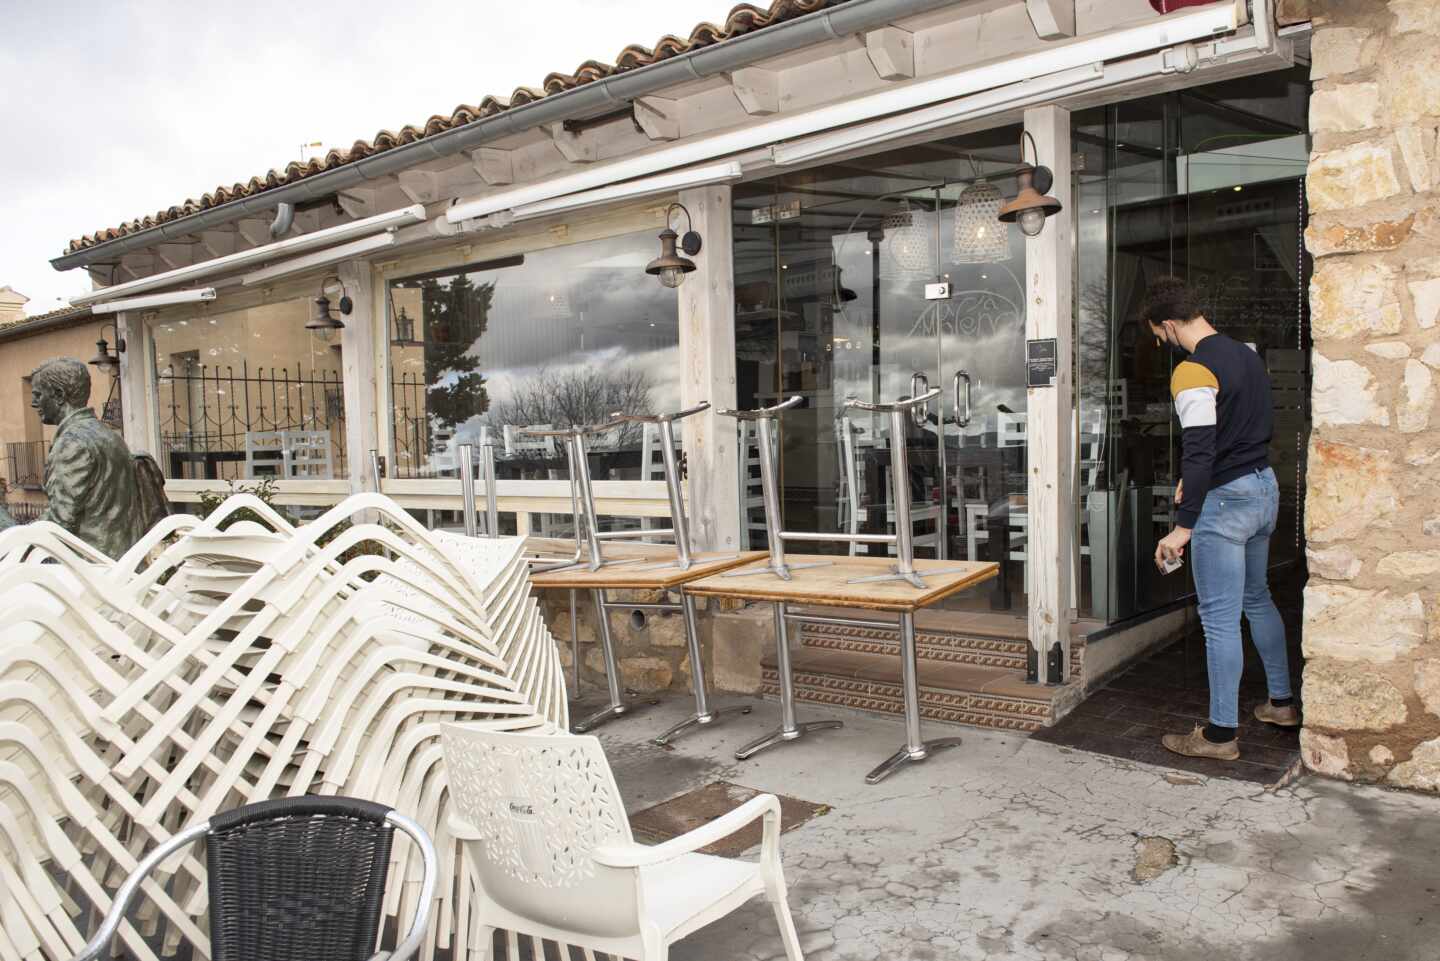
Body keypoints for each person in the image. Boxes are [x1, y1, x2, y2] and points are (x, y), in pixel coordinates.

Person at [1141, 277, 1297, 761]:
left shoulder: (1193, 371)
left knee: (1220, 621)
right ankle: (1282, 703)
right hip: (1262, 489)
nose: (1159, 343)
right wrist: (1202, 481)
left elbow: (1201, 447)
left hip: (1226, 504)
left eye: (1157, 335)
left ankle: (1219, 736)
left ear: (1169, 325)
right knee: (1258, 596)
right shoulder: (1246, 355)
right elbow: (1243, 430)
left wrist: (1183, 525)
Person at [5, 358, 145, 558]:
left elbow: (59, 521)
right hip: (120, 560)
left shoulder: (72, 443)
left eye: (38, 394)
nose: (33, 403)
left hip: (89, 568)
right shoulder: (109, 435)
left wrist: (16, 539)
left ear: (59, 395)